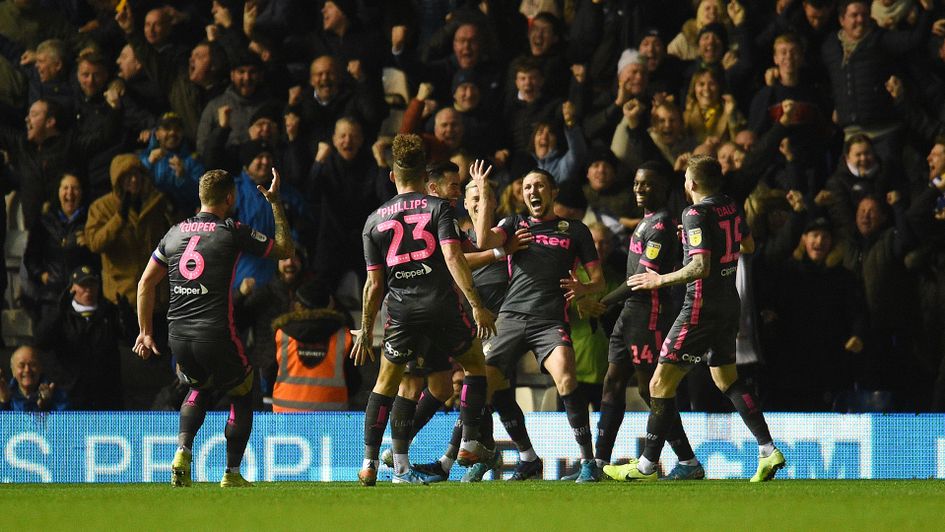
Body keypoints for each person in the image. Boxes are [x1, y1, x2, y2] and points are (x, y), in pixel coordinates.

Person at [607, 155, 785, 482]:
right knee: (727, 380)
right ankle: (767, 449)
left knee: (659, 383)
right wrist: (696, 239)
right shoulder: (729, 206)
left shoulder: (694, 212)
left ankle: (647, 466)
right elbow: (746, 243)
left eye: (687, 179)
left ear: (693, 184)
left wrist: (658, 279)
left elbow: (700, 267)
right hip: (730, 304)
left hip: (699, 307)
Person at [134, 167, 294, 488]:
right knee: (244, 388)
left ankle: (182, 451)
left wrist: (145, 331)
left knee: (199, 386)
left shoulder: (174, 232)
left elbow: (144, 284)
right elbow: (284, 251)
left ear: (200, 197)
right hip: (216, 333)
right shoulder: (232, 230)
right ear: (230, 198)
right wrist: (275, 203)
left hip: (178, 335)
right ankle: (232, 474)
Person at [352, 134, 496, 486]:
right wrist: (477, 305)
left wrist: (366, 328)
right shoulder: (438, 207)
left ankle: (373, 464)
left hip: (401, 311)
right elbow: (453, 256)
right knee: (476, 366)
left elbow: (374, 284)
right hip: (441, 305)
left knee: (388, 383)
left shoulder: (373, 221)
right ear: (422, 173)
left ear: (392, 176)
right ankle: (471, 441)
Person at [470, 162, 605, 482]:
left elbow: (598, 279)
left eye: (539, 186)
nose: (533, 191)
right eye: (528, 187)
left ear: (552, 192)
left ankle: (588, 462)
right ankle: (480, 452)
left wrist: (584, 288)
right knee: (480, 386)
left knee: (567, 380)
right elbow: (483, 240)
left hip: (550, 321)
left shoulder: (575, 230)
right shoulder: (514, 223)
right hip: (511, 318)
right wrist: (486, 197)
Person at [588, 161, 710, 479]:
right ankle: (598, 463)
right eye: (638, 184)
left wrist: (602, 302)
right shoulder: (647, 222)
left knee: (652, 390)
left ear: (665, 189)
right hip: (630, 315)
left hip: (650, 315)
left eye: (648, 185)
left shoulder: (661, 225)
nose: (640, 189)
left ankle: (686, 461)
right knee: (612, 382)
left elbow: (642, 278)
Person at [33, 265, 123, 411]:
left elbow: (130, 340)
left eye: (92, 284)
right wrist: (58, 313)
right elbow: (41, 342)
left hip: (105, 396)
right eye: (83, 285)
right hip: (70, 396)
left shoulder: (109, 312)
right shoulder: (62, 314)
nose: (88, 289)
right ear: (72, 288)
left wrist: (128, 319)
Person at [271, 280, 358, 412]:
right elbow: (354, 380)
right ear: (330, 305)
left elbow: (269, 371)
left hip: (284, 409)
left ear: (296, 305)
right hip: (331, 412)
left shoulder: (282, 334)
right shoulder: (343, 335)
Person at [0, 346, 68, 412]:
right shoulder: (5, 393)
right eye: (21, 366)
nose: (27, 370)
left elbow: (65, 422)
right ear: (13, 371)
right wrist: (4, 403)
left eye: (33, 364)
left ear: (40, 368)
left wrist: (47, 407)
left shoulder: (57, 394)